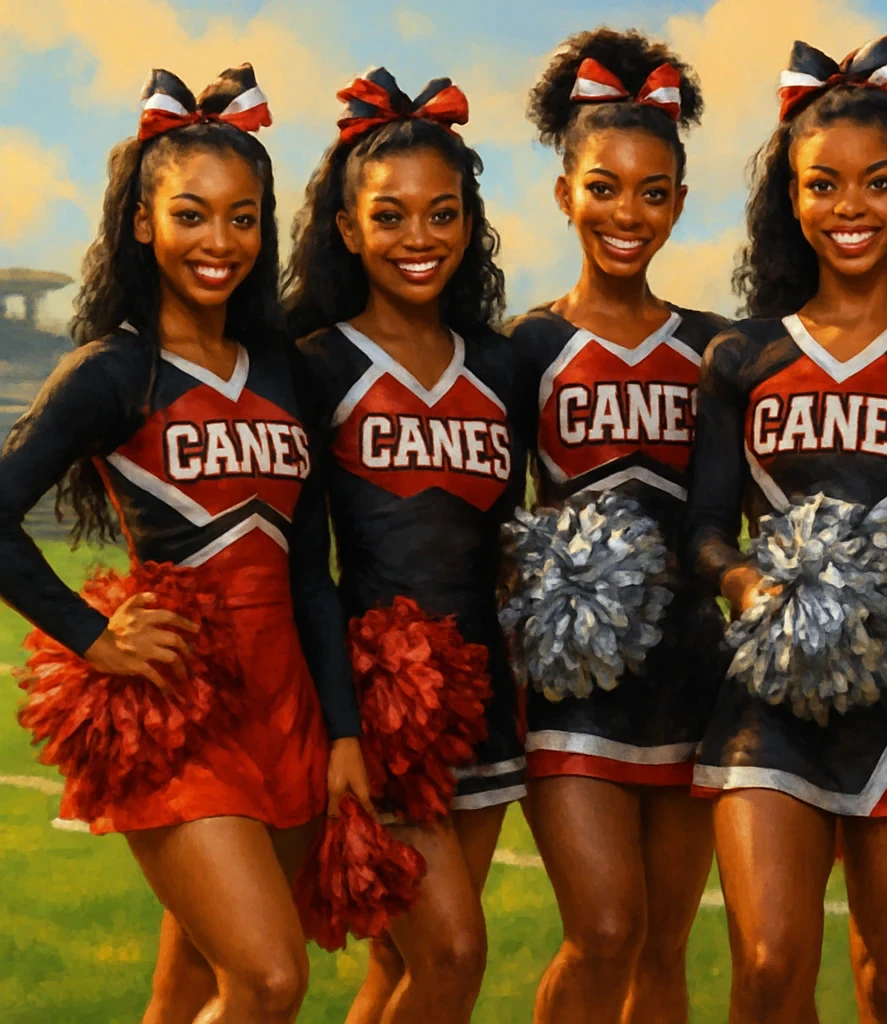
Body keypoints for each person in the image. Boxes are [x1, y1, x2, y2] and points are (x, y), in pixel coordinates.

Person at [685, 34, 887, 1024]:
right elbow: (703, 530)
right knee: (771, 968)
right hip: (766, 692)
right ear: (793, 196)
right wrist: (745, 585)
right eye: (823, 185)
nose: (849, 207)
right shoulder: (738, 356)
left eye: (877, 183)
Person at [0, 66, 336, 1023]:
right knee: (271, 982)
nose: (218, 241)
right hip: (178, 705)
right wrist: (92, 637)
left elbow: (309, 570)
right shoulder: (112, 371)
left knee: (190, 987)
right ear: (144, 224)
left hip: (286, 705)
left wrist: (342, 731)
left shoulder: (283, 371)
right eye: (191, 215)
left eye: (243, 217)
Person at [285, 68, 520, 1024]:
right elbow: (307, 564)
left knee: (405, 970)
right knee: (456, 951)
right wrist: (344, 724)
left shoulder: (504, 364)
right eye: (390, 216)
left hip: (491, 701)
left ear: (469, 224)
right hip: (381, 708)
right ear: (347, 229)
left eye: (442, 214)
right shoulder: (315, 361)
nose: (419, 239)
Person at [504, 28, 725, 1024]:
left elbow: (732, 521)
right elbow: (489, 522)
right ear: (564, 195)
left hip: (692, 678)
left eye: (651, 192)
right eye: (602, 187)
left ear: (678, 202)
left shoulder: (718, 349)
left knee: (664, 947)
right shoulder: (527, 345)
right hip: (571, 689)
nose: (625, 213)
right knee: (602, 932)